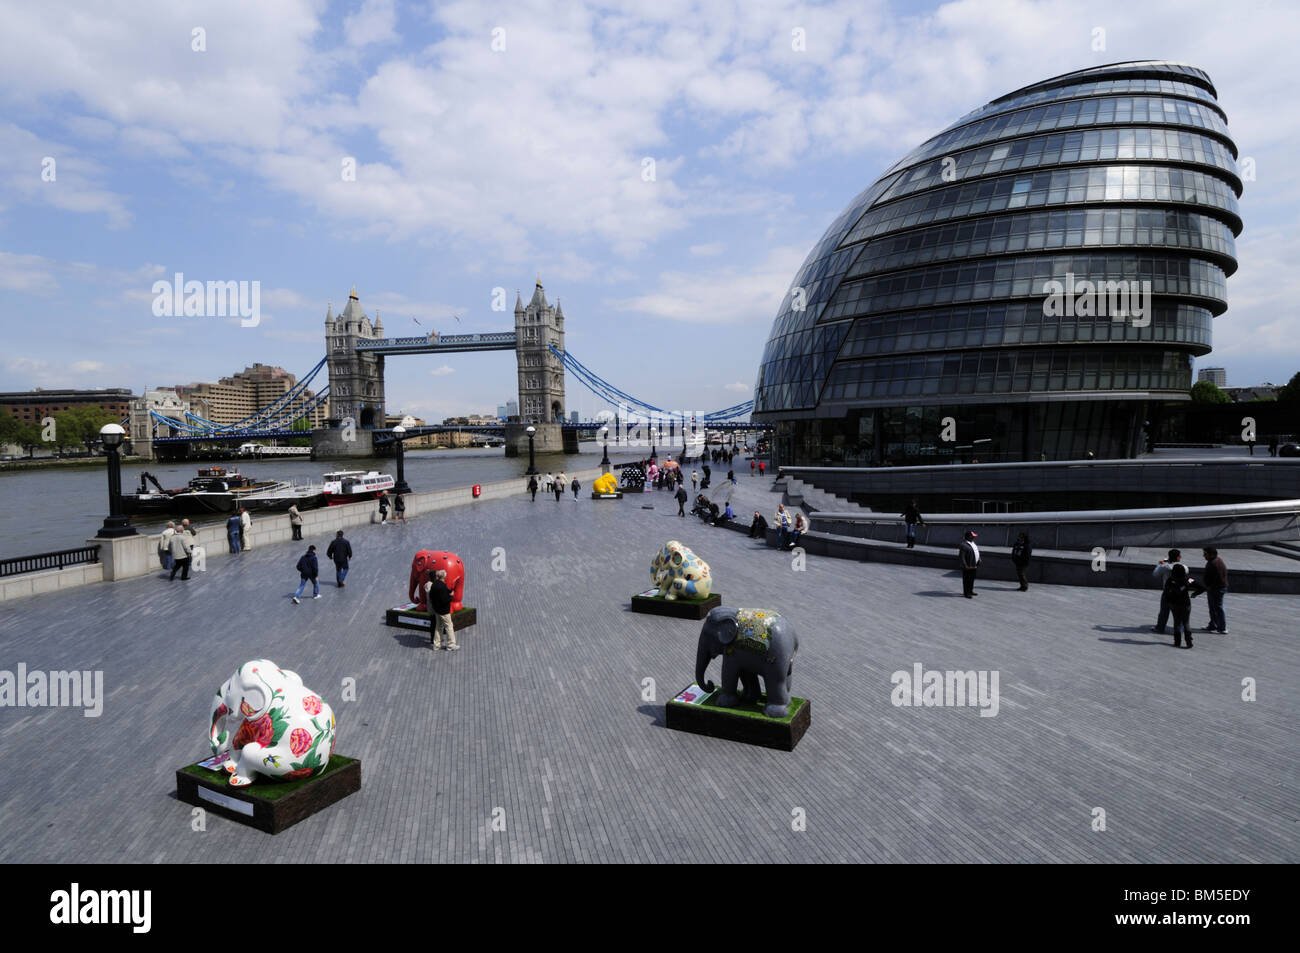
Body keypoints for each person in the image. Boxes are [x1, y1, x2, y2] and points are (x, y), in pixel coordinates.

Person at [1165, 563, 1203, 649]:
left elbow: (1166, 592)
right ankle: (1189, 641)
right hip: (1186, 604)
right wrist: (1194, 594)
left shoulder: (1170, 580)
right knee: (1186, 622)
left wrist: (1168, 601)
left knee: (1177, 622)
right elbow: (1202, 587)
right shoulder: (1188, 580)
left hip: (1174, 604)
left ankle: (1177, 642)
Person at [425, 568, 458, 651]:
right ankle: (451, 645)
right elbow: (445, 599)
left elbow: (432, 596)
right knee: (449, 626)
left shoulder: (434, 584)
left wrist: (448, 591)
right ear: (444, 577)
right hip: (444, 611)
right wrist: (451, 596)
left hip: (437, 610)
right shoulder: (442, 586)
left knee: (438, 627)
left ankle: (436, 645)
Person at [1150, 549, 1182, 634]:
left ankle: (1160, 628)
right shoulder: (1183, 567)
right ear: (1178, 558)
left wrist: (1160, 563)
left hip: (1167, 592)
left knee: (1164, 611)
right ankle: (1179, 630)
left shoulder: (1165, 567)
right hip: (1179, 593)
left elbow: (1155, 574)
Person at [1202, 547, 1229, 634]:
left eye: (1205, 554)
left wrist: (1209, 586)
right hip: (1216, 588)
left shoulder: (1213, 564)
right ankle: (1213, 625)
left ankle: (1222, 628)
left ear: (1212, 554)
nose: (1204, 556)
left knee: (1218, 608)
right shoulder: (1217, 560)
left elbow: (1218, 578)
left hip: (1216, 589)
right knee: (1213, 608)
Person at [959, 530, 980, 598]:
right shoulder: (964, 545)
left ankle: (970, 591)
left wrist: (979, 558)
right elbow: (962, 556)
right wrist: (965, 565)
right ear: (968, 537)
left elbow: (975, 551)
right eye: (972, 536)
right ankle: (966, 593)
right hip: (968, 566)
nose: (974, 537)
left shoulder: (973, 543)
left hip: (974, 565)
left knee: (972, 579)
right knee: (967, 579)